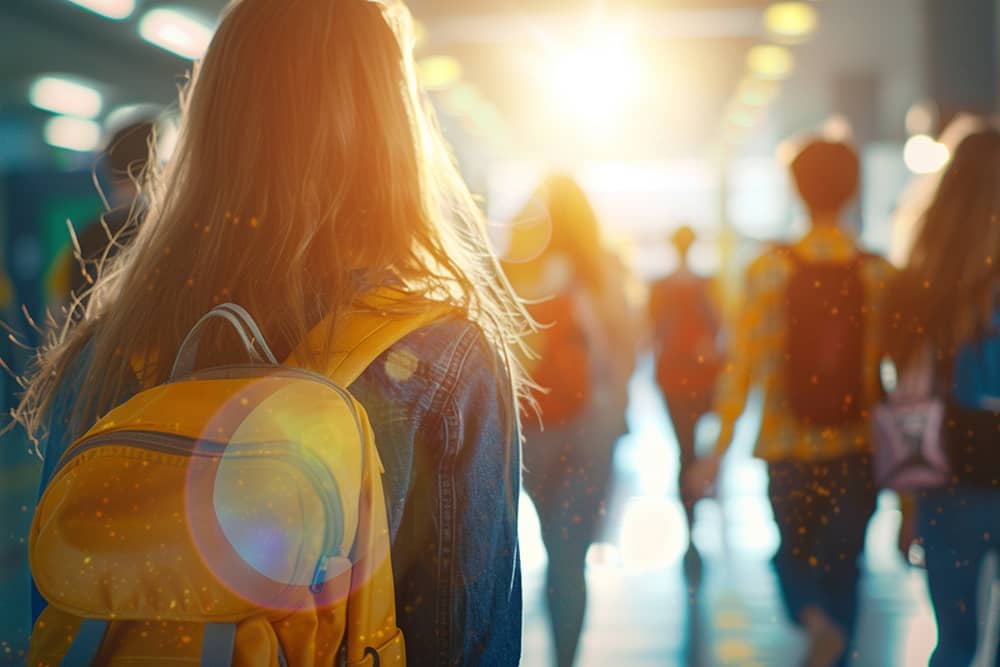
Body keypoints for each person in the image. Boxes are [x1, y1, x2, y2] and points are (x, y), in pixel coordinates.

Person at [13, 0, 528, 663]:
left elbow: (61, 612)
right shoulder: (443, 359)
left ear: (213, 127)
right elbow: (469, 640)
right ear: (389, 133)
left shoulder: (107, 349)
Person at [686, 139, 895, 667]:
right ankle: (834, 648)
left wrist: (717, 450)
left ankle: (812, 621)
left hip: (786, 445)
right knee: (846, 564)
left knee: (791, 558)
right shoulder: (877, 273)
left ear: (797, 190)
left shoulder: (768, 271)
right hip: (858, 445)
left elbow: (741, 371)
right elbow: (895, 372)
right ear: (852, 190)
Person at [503, 174, 638, 667]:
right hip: (591, 431)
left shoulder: (515, 270)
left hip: (528, 429)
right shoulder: (602, 271)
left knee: (532, 548)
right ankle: (565, 658)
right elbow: (627, 346)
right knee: (569, 556)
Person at [886, 128, 1000, 667]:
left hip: (951, 480)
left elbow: (908, 396)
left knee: (954, 642)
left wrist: (908, 504)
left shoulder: (923, 282)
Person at [648, 225, 722, 574]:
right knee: (694, 449)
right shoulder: (704, 286)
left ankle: (691, 515)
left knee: (685, 448)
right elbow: (718, 328)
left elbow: (650, 333)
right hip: (701, 376)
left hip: (673, 377)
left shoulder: (661, 288)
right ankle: (696, 505)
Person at [69, 118, 157, 303]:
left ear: (108, 169)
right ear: (154, 167)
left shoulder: (87, 235)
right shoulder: (161, 232)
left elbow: (61, 307)